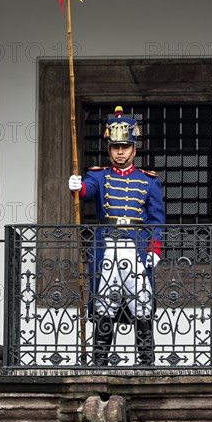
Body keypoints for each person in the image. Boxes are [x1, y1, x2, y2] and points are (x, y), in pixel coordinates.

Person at [68, 106, 165, 366]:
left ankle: (146, 361)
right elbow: (88, 191)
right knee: (104, 302)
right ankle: (100, 361)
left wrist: (155, 250)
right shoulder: (99, 176)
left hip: (136, 248)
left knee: (142, 301)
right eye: (115, 147)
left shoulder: (148, 181)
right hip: (108, 247)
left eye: (124, 146)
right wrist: (78, 186)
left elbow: (157, 219)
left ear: (134, 148)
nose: (119, 152)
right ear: (109, 149)